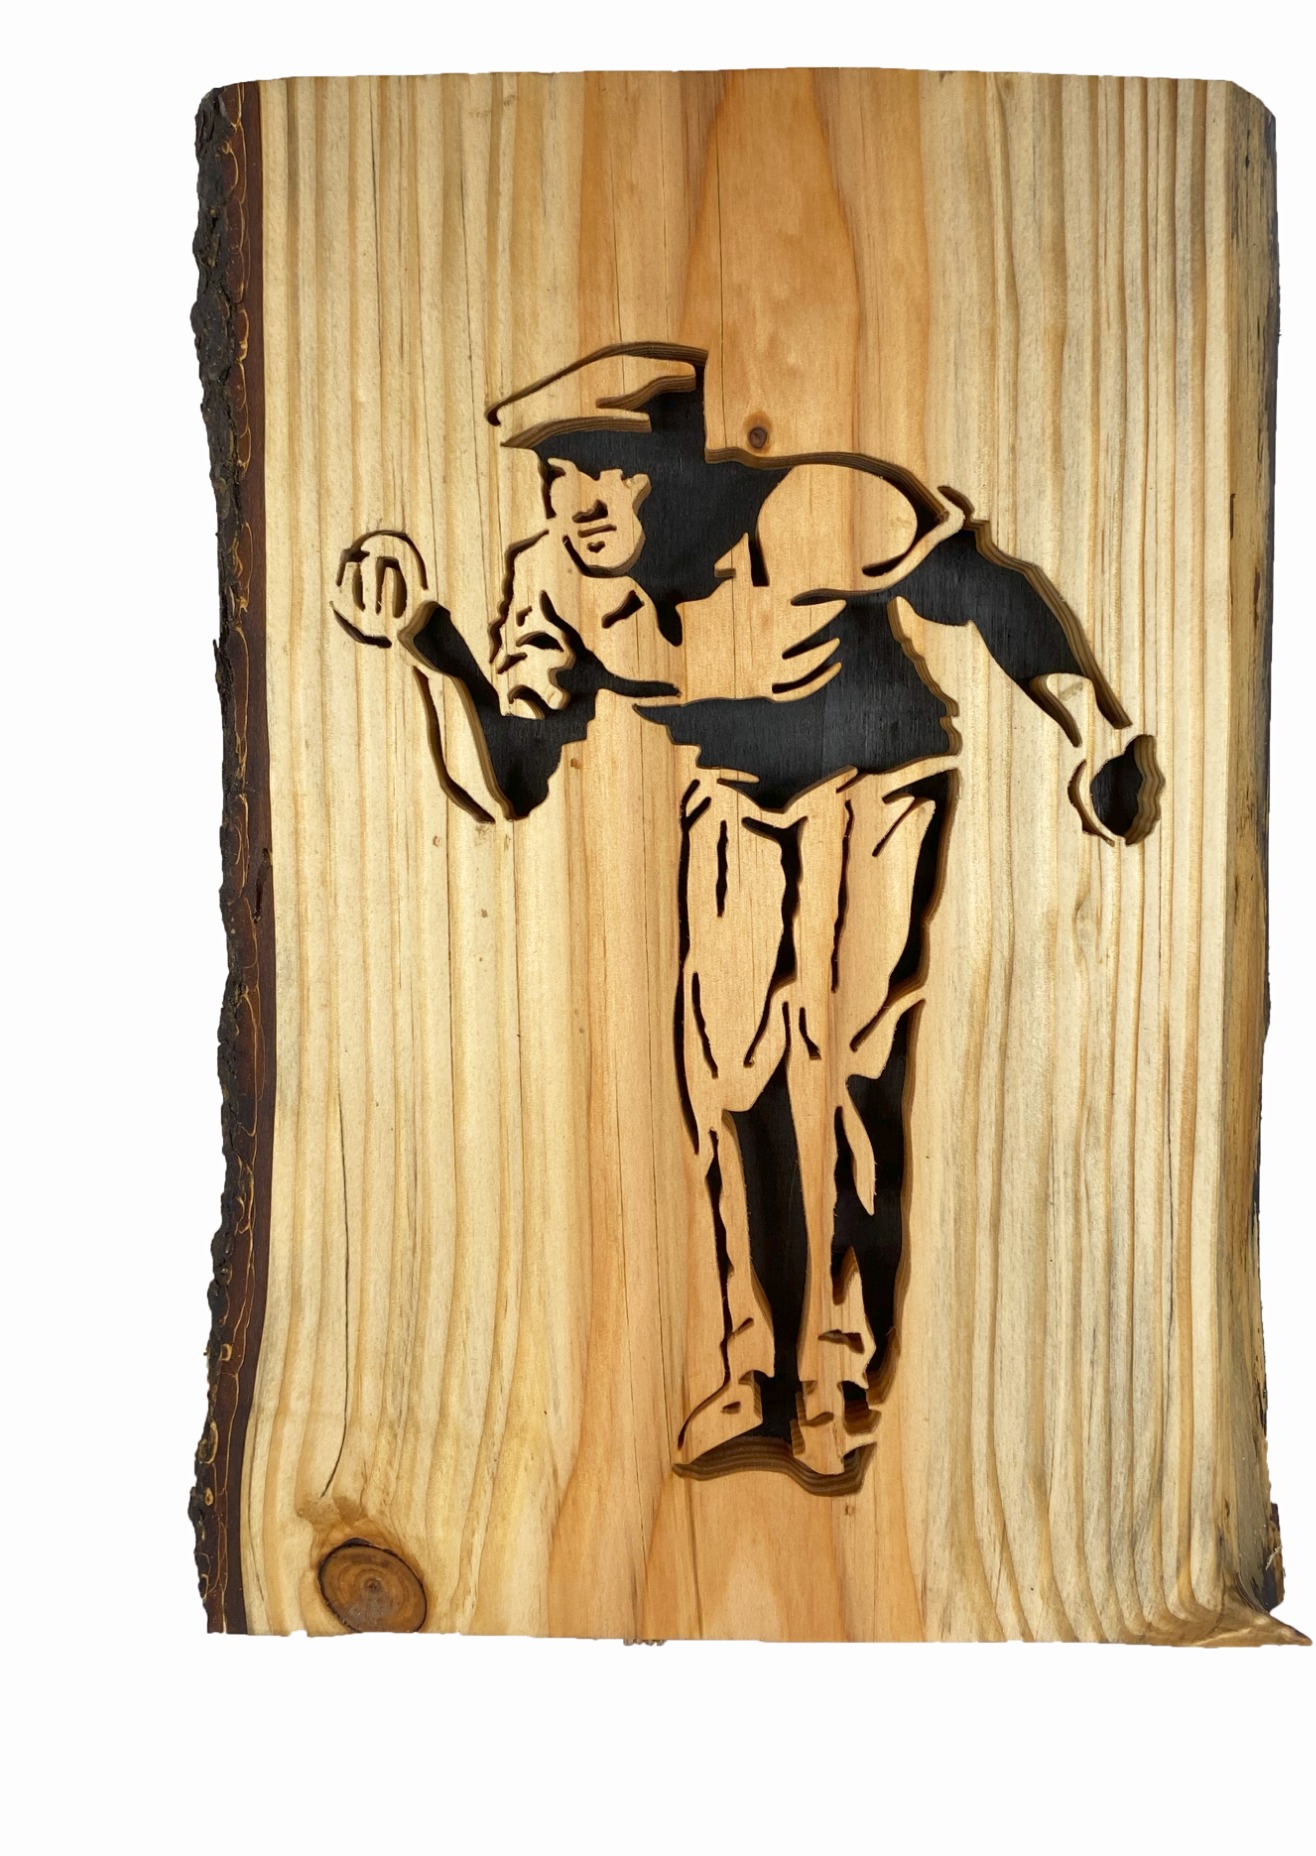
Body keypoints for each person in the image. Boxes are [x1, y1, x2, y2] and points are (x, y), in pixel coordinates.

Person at [333, 342, 1160, 1488]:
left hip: (878, 778)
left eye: (613, 467)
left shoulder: (813, 510)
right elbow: (506, 779)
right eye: (559, 473)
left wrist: (1096, 730)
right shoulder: (554, 582)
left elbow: (987, 595)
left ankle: (840, 1371)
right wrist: (429, 644)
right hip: (731, 790)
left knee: (843, 1058)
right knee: (724, 1071)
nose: (582, 503)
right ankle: (752, 1362)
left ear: (684, 462)